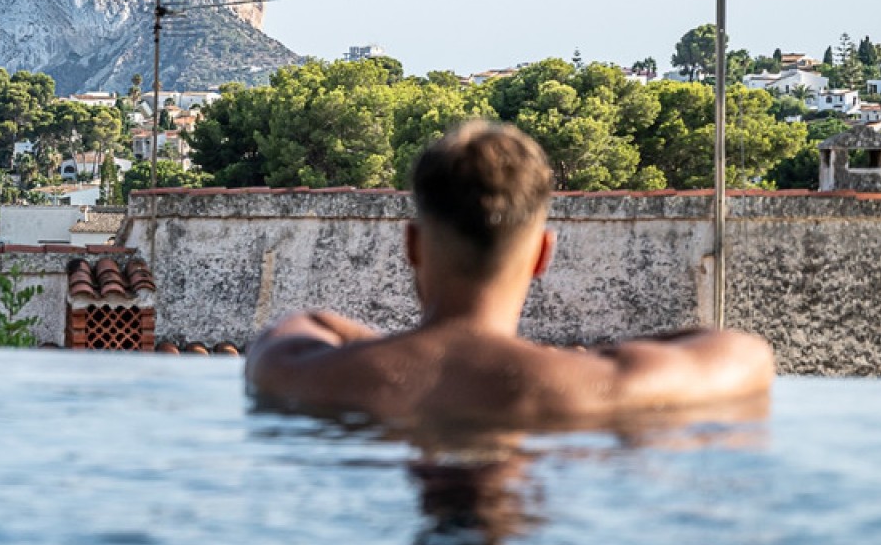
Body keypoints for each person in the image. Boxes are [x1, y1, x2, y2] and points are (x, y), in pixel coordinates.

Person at [244, 120, 775, 424]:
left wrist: (401, 347)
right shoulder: (598, 386)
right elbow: (746, 354)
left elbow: (302, 325)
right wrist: (577, 359)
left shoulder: (307, 376)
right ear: (543, 254)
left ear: (413, 246)